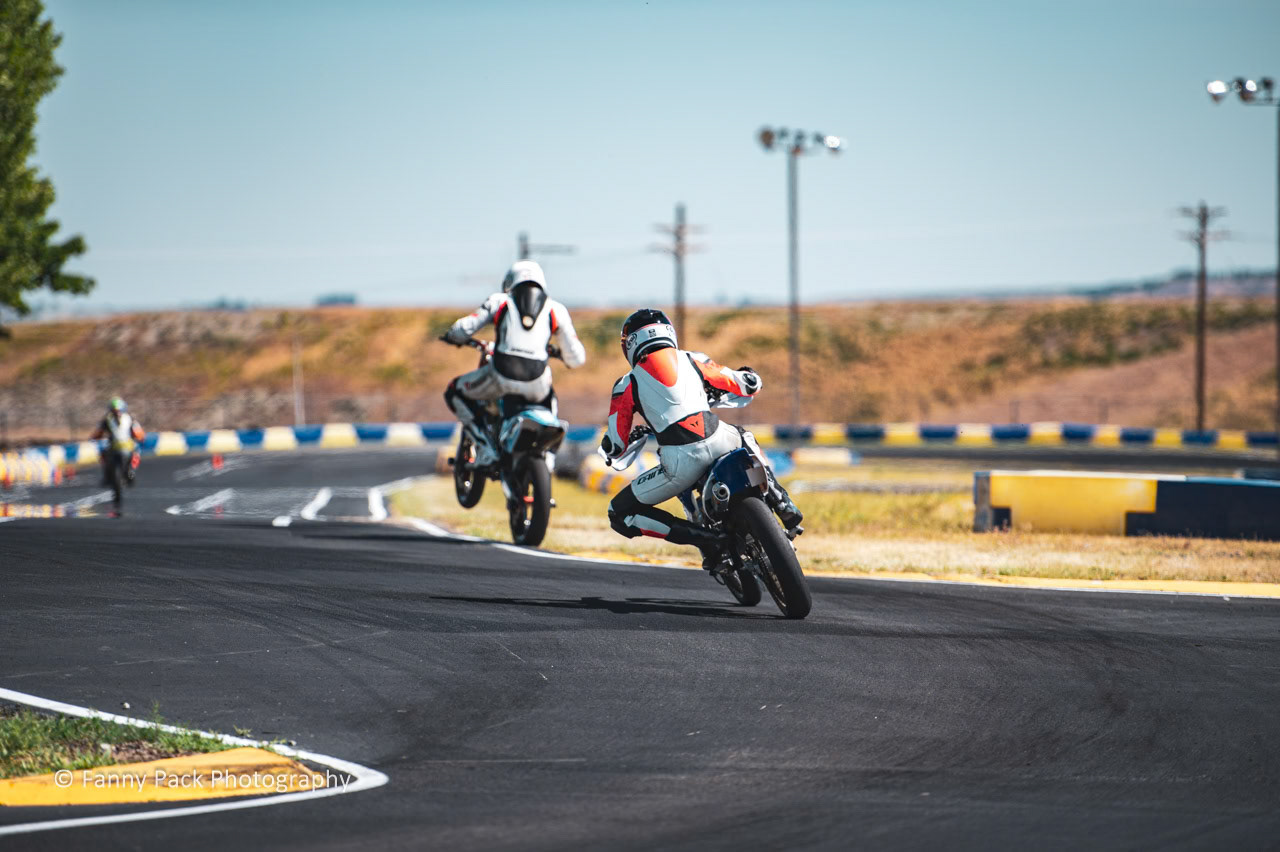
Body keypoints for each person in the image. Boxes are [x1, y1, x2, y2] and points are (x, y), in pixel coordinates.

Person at [600, 308, 803, 570]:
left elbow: (616, 445)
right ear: (668, 332)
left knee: (618, 513)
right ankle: (781, 501)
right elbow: (744, 384)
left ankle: (709, 541)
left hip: (680, 463)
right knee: (744, 437)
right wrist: (750, 376)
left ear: (629, 344)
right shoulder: (692, 358)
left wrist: (616, 443)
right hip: (721, 438)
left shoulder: (625, 384)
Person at [442, 260, 586, 467]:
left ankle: (485, 448)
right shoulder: (556, 309)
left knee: (454, 391)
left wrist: (452, 336)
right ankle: (548, 459)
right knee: (550, 398)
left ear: (509, 282)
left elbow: (462, 329)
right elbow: (577, 358)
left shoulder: (500, 301)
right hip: (537, 383)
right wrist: (560, 354)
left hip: (500, 376)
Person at [91, 396, 145, 486]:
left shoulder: (109, 419)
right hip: (117, 446)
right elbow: (139, 434)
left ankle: (129, 470)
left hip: (122, 446)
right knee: (104, 453)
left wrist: (94, 438)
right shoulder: (128, 418)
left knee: (136, 452)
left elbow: (98, 433)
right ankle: (112, 473)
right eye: (115, 410)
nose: (117, 413)